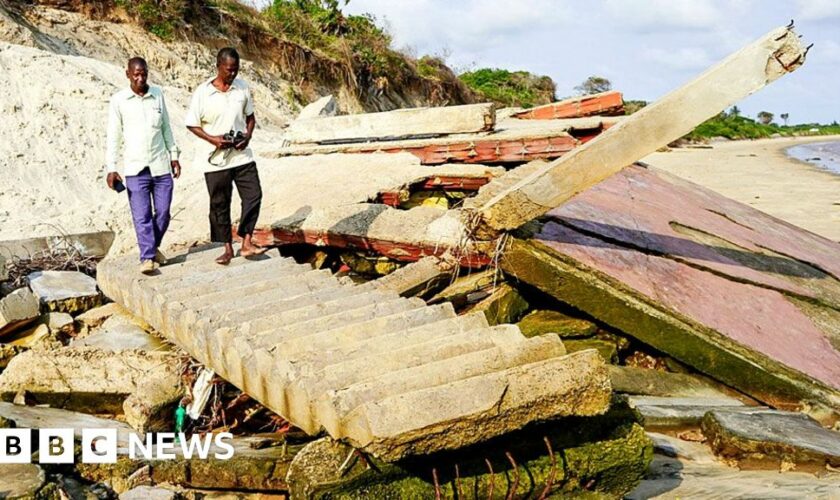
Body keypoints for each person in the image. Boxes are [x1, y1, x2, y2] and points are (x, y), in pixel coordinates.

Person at [185, 47, 265, 265]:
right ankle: (227, 248)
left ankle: (246, 240)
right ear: (218, 67)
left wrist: (247, 136)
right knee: (220, 204)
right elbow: (192, 123)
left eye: (236, 70)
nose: (233, 74)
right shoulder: (203, 92)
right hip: (214, 158)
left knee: (253, 195)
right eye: (229, 70)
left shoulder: (242, 88)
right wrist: (213, 139)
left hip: (241, 155)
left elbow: (250, 117)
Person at [106, 57, 181, 275]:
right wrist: (112, 167)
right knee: (142, 216)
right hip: (135, 169)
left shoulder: (157, 94)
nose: (140, 78)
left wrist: (174, 156)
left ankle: (152, 247)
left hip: (160, 165)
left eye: (144, 74)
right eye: (136, 74)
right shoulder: (119, 100)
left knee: (164, 212)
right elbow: (114, 137)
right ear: (128, 74)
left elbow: (166, 127)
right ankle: (147, 257)